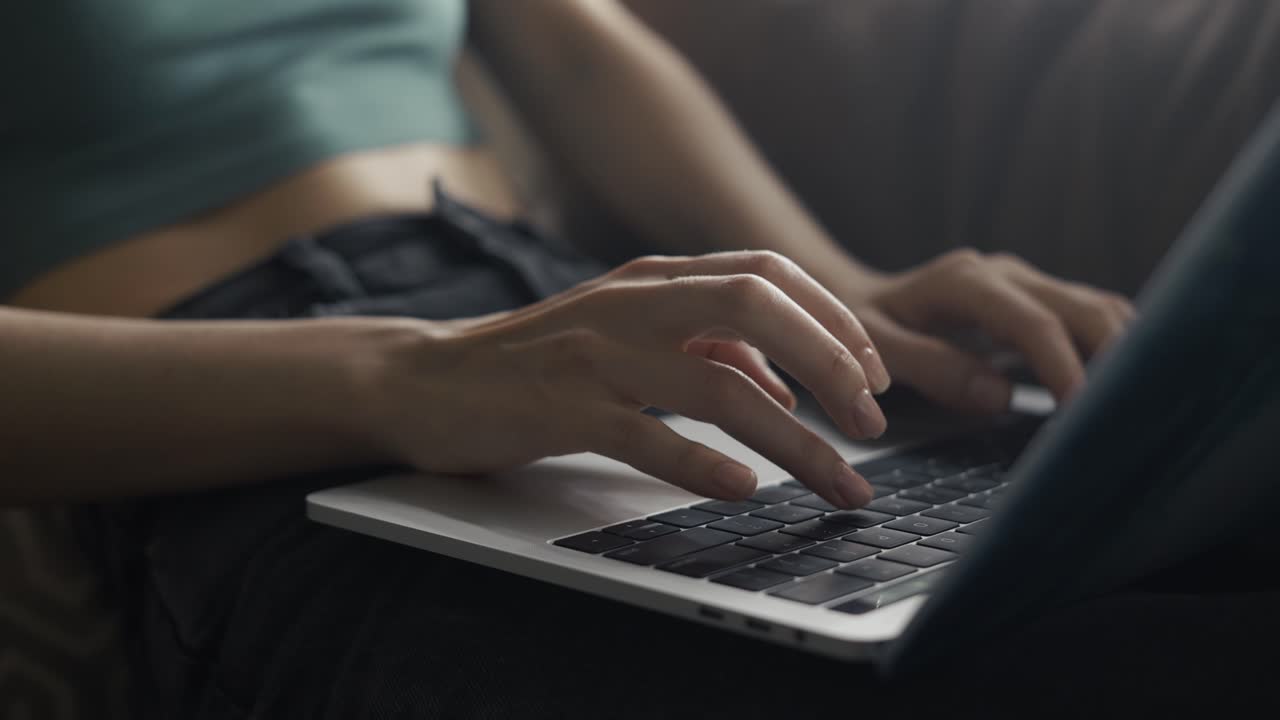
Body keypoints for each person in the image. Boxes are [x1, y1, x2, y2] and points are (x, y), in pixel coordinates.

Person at [2, 0, 1205, 717]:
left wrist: (840, 286)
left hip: (558, 331)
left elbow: (579, 48)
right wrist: (409, 375)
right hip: (257, 427)